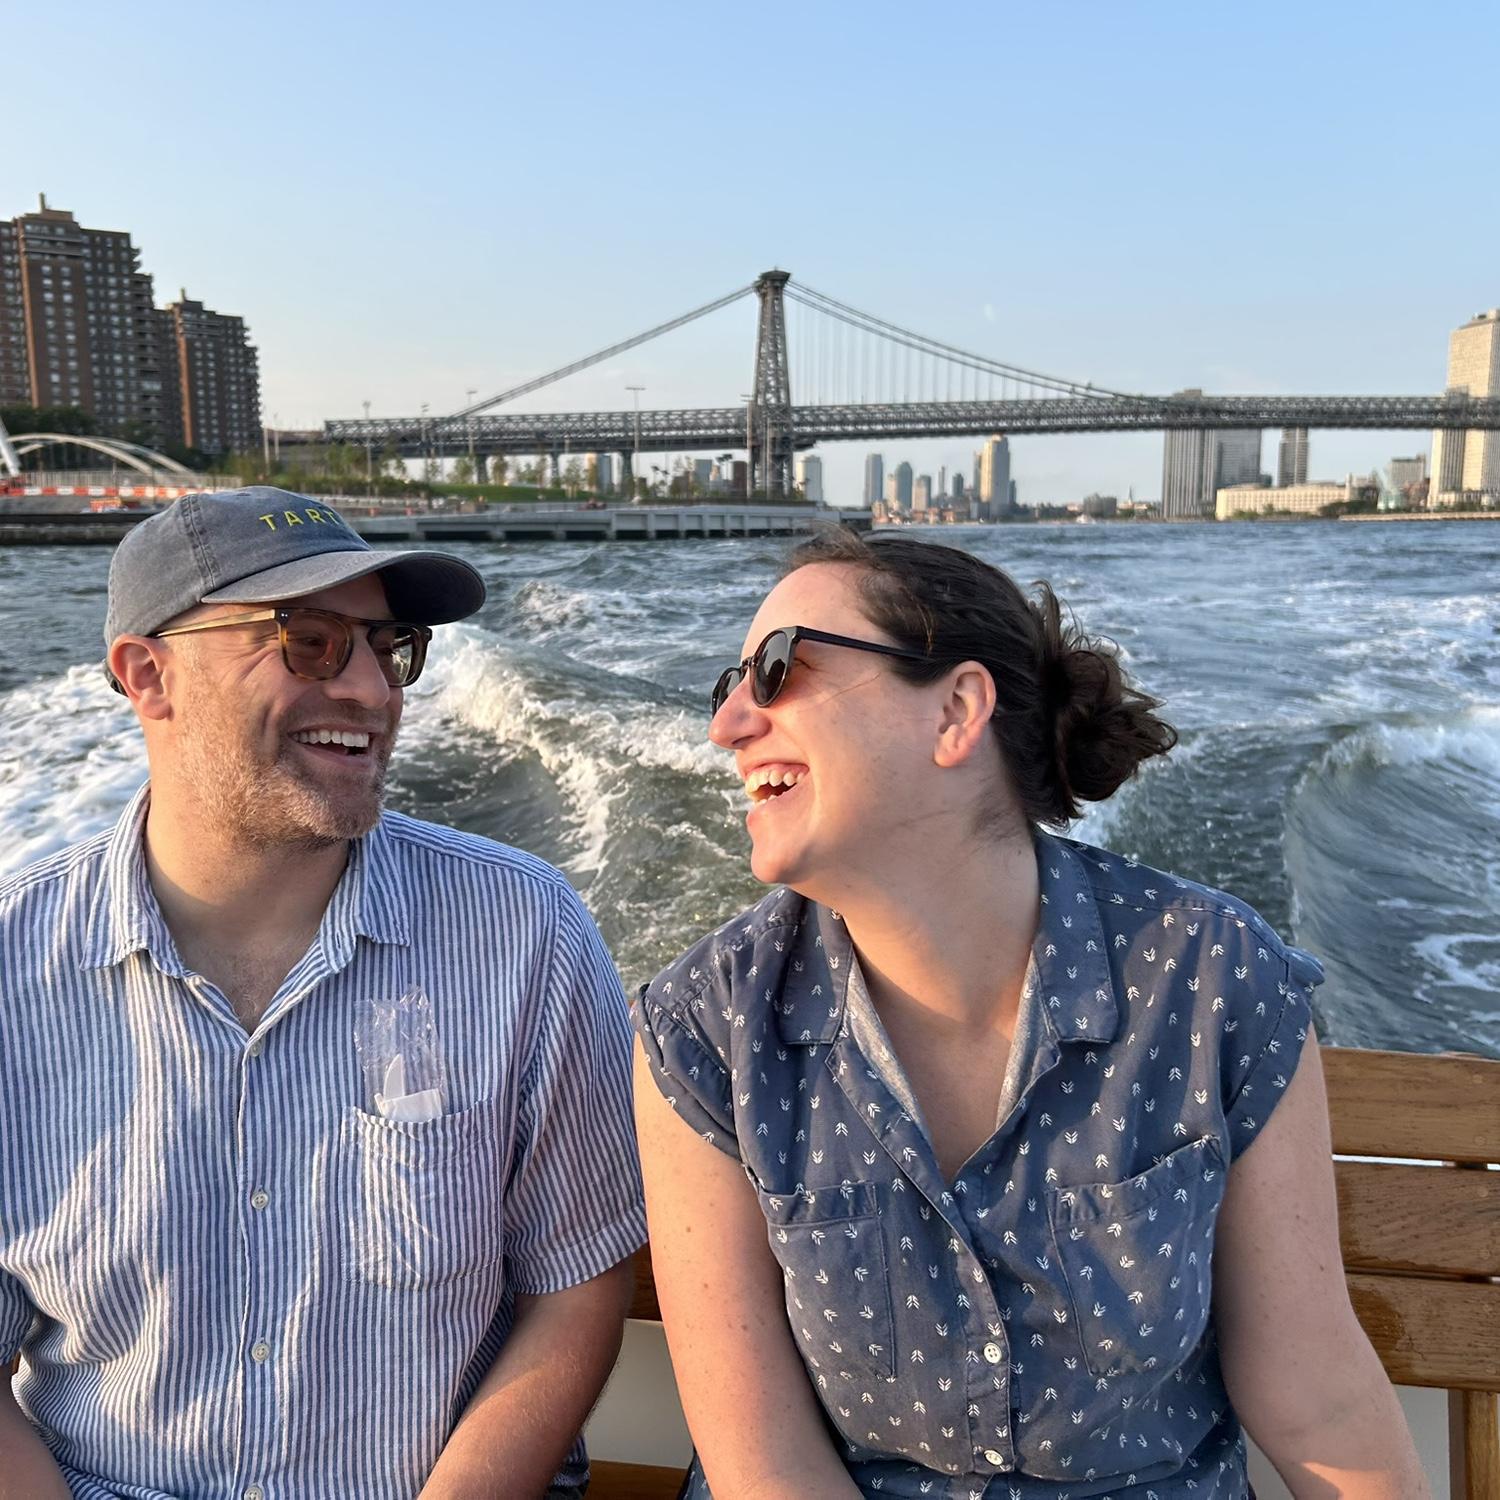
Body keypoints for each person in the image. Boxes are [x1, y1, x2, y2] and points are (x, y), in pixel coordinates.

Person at [633, 529, 1427, 1499]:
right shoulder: (709, 1031)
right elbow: (764, 1464)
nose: (728, 724)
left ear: (956, 710)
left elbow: (1315, 1398)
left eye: (777, 669)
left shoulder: (1213, 983)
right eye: (729, 685)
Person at [0, 487, 646, 1500]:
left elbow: (577, 1286)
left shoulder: (525, 934)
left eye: (391, 649)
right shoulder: (14, 972)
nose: (372, 691)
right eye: (309, 643)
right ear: (148, 675)